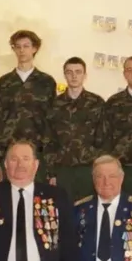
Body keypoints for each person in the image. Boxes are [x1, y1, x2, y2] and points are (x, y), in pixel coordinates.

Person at [46, 56, 106, 199]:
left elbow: (104, 138)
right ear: (64, 75)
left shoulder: (97, 103)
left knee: (88, 209)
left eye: (78, 72)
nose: (74, 76)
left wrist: (101, 169)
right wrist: (51, 173)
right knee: (63, 208)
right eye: (69, 72)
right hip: (62, 169)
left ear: (85, 75)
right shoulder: (55, 104)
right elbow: (48, 140)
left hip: (89, 168)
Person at [0, 30, 57, 160]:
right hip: (9, 148)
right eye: (18, 46)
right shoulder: (4, 82)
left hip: (39, 149)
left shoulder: (46, 82)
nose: (21, 50)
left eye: (26, 46)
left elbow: (52, 118)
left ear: (34, 48)